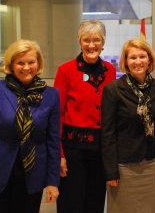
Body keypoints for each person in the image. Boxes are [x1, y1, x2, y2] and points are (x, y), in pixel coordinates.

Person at [0, 39, 60, 213]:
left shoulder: (51, 95)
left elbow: (53, 142)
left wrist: (53, 181)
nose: (26, 68)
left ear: (38, 63)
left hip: (31, 177)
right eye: (20, 63)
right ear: (11, 64)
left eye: (31, 62)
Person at [54, 20, 116, 213]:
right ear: (79, 42)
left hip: (100, 151)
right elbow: (56, 115)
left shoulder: (110, 71)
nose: (91, 45)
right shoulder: (66, 71)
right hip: (73, 152)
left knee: (95, 203)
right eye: (86, 40)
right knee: (71, 204)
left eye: (96, 40)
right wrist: (60, 155)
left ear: (103, 42)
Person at [101, 39, 155, 213]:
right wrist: (111, 171)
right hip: (123, 166)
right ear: (126, 62)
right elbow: (107, 133)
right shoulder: (113, 90)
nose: (138, 62)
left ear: (149, 60)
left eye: (142, 56)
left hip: (151, 162)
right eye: (133, 57)